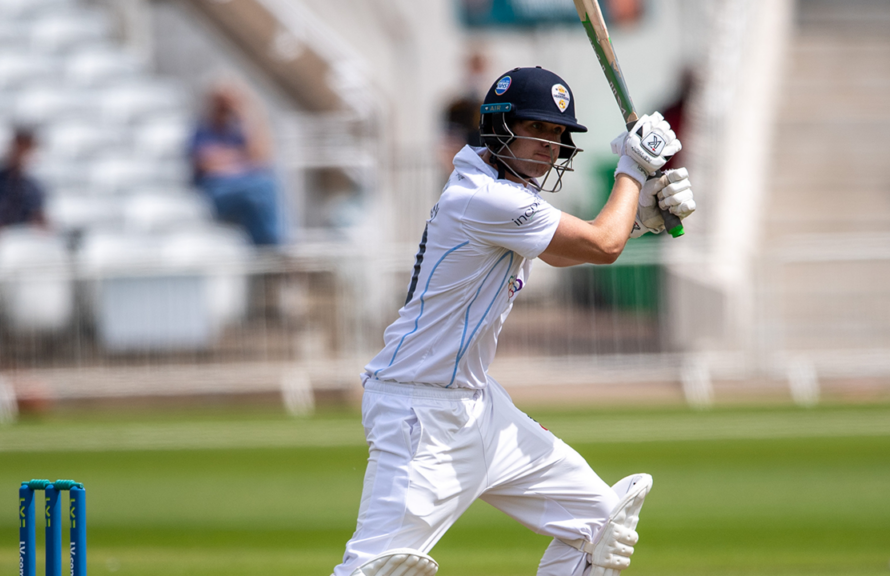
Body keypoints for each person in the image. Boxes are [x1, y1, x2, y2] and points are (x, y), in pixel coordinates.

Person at [332, 66, 695, 576]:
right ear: (499, 126)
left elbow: (566, 251)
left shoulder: (501, 193)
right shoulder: (484, 198)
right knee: (371, 569)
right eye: (536, 128)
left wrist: (635, 218)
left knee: (601, 524)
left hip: (481, 407)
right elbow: (603, 244)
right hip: (420, 413)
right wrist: (633, 168)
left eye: (557, 133)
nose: (549, 144)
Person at [190, 81, 282, 246]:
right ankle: (273, 246)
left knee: (261, 195)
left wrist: (245, 115)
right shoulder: (203, 131)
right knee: (263, 188)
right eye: (222, 104)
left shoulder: (238, 131)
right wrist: (243, 160)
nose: (225, 109)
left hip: (246, 190)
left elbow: (262, 158)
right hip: (216, 192)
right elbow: (210, 166)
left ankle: (268, 246)